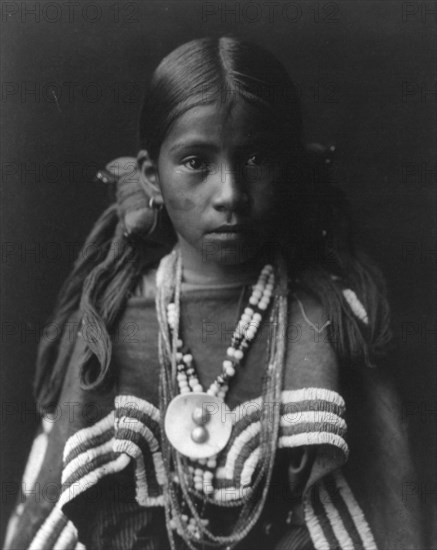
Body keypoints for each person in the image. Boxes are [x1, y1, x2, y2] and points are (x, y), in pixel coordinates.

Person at [4, 36, 422, 550]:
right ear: (152, 177)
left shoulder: (327, 322)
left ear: (290, 170)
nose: (230, 194)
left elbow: (383, 508)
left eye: (257, 158)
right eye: (197, 162)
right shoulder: (116, 327)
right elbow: (57, 513)